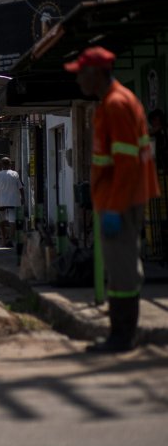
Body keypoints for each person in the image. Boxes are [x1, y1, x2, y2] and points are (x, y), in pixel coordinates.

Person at [65, 46, 160, 353]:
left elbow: (126, 163)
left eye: (82, 74)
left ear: (95, 74)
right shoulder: (112, 103)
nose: (79, 81)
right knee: (119, 267)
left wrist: (115, 207)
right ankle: (120, 333)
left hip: (121, 200)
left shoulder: (117, 104)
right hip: (117, 199)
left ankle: (122, 336)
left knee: (122, 269)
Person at [0, 157, 24, 247]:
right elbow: (21, 188)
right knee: (12, 221)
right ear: (10, 164)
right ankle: (11, 238)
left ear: (1, 165)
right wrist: (23, 198)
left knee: (2, 221)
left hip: (1, 202)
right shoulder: (15, 174)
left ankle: (3, 240)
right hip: (14, 201)